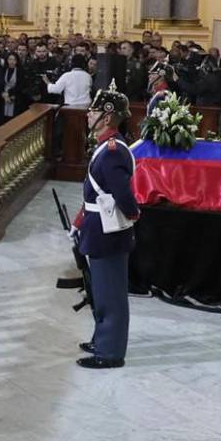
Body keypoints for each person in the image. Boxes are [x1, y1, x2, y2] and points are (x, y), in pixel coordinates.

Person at [74, 83, 139, 369]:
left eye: (94, 110)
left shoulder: (112, 151)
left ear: (108, 116)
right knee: (100, 291)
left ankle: (110, 352)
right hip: (97, 227)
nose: (89, 114)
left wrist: (132, 214)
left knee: (110, 294)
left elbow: (122, 194)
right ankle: (101, 338)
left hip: (107, 232)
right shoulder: (105, 145)